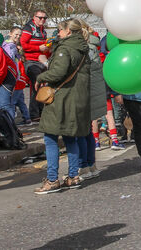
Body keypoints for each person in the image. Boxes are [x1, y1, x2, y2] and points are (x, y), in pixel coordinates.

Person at [34, 18, 91, 194]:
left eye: (60, 30)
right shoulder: (82, 47)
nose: (58, 33)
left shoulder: (65, 48)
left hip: (62, 98)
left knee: (50, 139)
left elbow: (58, 72)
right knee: (70, 138)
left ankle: (52, 180)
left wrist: (41, 77)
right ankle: (72, 176)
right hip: (76, 98)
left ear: (68, 31)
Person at [78, 21, 108, 180]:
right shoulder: (93, 49)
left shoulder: (84, 51)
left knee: (81, 133)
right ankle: (91, 165)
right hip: (93, 94)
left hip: (84, 95)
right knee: (88, 131)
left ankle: (84, 166)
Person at [21, 10, 52, 122]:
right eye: (40, 18)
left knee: (43, 85)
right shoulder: (29, 28)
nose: (42, 20)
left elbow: (43, 46)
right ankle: (34, 113)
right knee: (36, 84)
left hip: (42, 60)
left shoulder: (42, 30)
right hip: (32, 61)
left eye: (45, 18)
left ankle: (41, 111)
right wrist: (38, 48)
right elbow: (24, 44)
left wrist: (48, 49)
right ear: (34, 17)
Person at [2, 27, 31, 125]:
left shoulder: (11, 45)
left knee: (14, 101)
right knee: (16, 101)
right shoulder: (9, 46)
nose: (18, 37)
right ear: (10, 33)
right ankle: (24, 119)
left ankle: (12, 123)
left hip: (17, 77)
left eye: (19, 35)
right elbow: (10, 60)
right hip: (14, 75)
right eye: (16, 34)